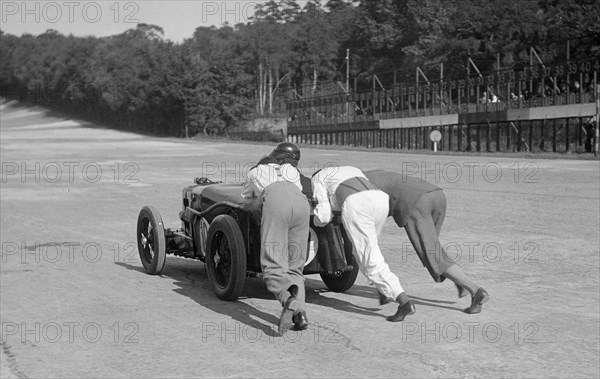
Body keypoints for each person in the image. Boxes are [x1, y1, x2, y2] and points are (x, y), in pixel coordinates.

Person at [364, 169, 489, 314]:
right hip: (435, 194)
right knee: (434, 252)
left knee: (432, 256)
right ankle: (459, 281)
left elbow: (366, 234)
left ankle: (476, 291)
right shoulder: (364, 175)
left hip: (415, 202)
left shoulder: (353, 190)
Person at [311, 166, 415, 322]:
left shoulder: (317, 178)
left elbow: (324, 216)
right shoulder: (349, 169)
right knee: (367, 250)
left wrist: (314, 218)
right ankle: (383, 291)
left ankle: (404, 302)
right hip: (380, 200)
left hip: (356, 205)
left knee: (370, 261)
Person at [242, 143, 310, 334]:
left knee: (272, 264)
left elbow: (248, 204)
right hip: (301, 205)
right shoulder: (292, 171)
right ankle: (300, 315)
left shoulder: (256, 171)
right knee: (295, 266)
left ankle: (289, 301)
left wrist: (253, 203)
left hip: (276, 202)